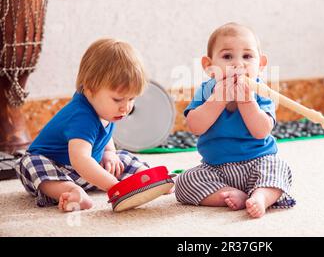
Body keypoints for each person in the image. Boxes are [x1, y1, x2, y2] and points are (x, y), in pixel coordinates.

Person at [16, 38, 152, 212]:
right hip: (57, 169)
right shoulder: (81, 116)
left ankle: (150, 179)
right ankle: (72, 192)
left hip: (87, 171)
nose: (126, 107)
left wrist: (109, 153)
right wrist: (115, 187)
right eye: (118, 99)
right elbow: (80, 159)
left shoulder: (106, 108)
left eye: (131, 99)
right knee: (29, 162)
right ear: (89, 89)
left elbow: (104, 135)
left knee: (122, 157)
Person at [175, 22, 296, 218]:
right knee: (184, 182)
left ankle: (261, 196)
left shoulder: (261, 92)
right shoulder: (207, 90)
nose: (238, 64)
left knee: (279, 168)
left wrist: (247, 101)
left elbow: (261, 131)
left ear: (261, 64)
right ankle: (229, 195)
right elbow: (195, 127)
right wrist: (217, 100)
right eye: (227, 56)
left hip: (259, 163)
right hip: (216, 169)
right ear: (209, 66)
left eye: (247, 56)